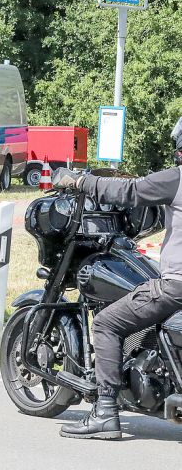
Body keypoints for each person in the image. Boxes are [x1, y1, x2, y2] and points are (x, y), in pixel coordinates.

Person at [52, 117, 182, 440]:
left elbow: (129, 191)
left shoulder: (175, 180)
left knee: (106, 323)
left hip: (176, 287)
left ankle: (105, 411)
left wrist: (80, 181)